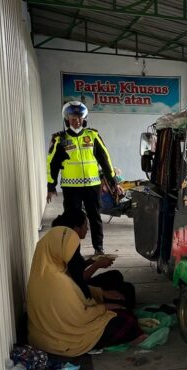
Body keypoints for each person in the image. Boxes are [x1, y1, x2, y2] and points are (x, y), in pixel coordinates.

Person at [26, 225, 144, 357]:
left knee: (121, 305)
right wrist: (105, 307)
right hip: (64, 341)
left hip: (47, 335)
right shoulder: (57, 281)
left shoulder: (43, 270)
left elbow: (75, 288)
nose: (74, 256)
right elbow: (80, 317)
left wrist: (101, 293)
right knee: (127, 320)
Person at [47, 101, 120, 255]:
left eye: (80, 117)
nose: (77, 121)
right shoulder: (60, 139)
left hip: (92, 186)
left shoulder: (92, 135)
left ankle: (98, 248)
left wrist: (113, 182)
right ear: (67, 119)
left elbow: (105, 159)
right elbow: (52, 164)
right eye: (73, 118)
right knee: (71, 219)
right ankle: (72, 250)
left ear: (84, 118)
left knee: (95, 217)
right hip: (71, 187)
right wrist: (51, 186)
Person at [51, 209, 135, 310]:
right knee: (128, 290)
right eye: (85, 225)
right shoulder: (69, 247)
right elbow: (78, 281)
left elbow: (76, 269)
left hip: (78, 286)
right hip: (77, 291)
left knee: (116, 275)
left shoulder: (67, 241)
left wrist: (91, 261)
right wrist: (97, 265)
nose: (87, 229)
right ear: (77, 229)